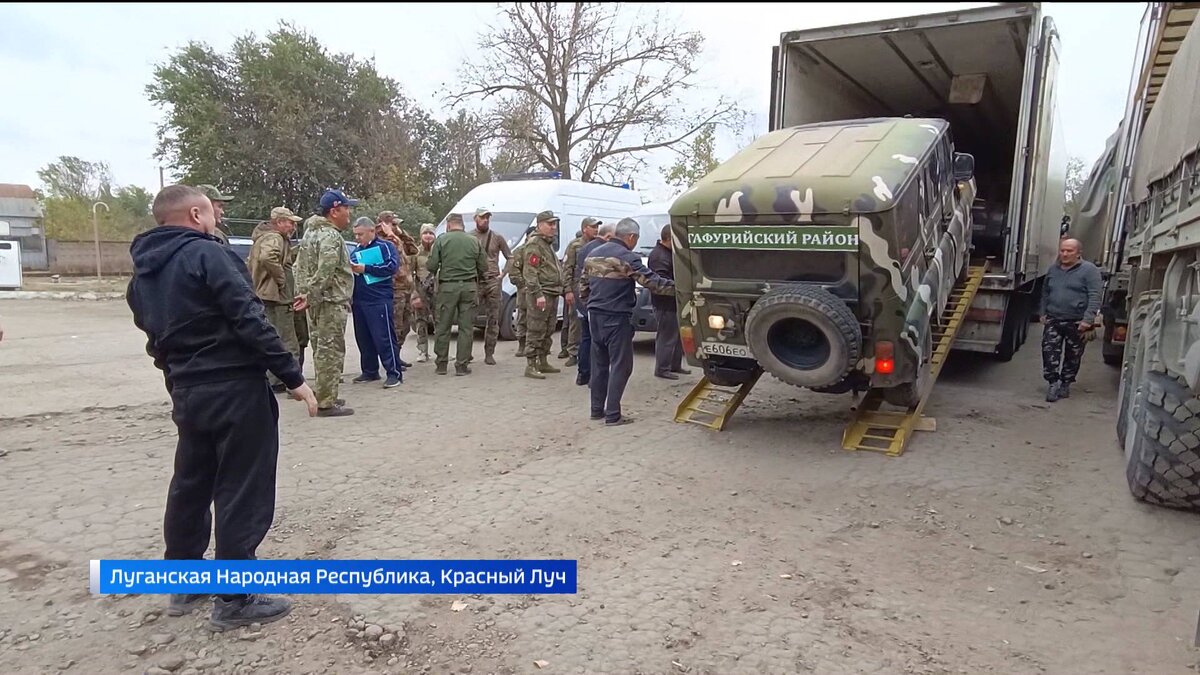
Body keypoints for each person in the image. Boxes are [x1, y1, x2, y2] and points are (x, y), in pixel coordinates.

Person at [126, 184, 318, 631]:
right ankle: (235, 598)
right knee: (242, 488)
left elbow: (154, 337)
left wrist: (178, 380)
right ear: (196, 214)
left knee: (191, 484)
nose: (217, 217)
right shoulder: (208, 254)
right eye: (212, 210)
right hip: (235, 388)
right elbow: (249, 318)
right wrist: (292, 377)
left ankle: (184, 582)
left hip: (189, 391)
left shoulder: (143, 273)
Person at [580, 217, 675, 425]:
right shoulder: (627, 257)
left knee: (600, 365)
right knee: (621, 365)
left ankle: (596, 410)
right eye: (636, 239)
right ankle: (613, 414)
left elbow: (583, 287)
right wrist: (681, 289)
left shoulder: (593, 254)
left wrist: (592, 306)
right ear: (631, 237)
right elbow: (652, 282)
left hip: (595, 316)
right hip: (616, 317)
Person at [295, 189, 358, 417]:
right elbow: (326, 270)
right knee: (330, 351)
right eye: (346, 208)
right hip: (328, 301)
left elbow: (299, 267)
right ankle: (326, 403)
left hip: (315, 302)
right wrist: (311, 295)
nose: (349, 213)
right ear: (334, 211)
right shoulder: (330, 236)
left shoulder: (311, 233)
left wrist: (304, 294)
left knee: (321, 349)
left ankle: (326, 393)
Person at [248, 207, 304, 393]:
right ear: (279, 222)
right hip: (278, 298)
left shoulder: (263, 237)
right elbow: (268, 257)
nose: (293, 226)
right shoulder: (275, 238)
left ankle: (275, 381)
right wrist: (282, 280)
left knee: (273, 339)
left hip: (266, 296)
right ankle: (294, 385)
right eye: (290, 222)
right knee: (289, 342)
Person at [1040, 237, 1102, 402]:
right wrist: (1043, 312)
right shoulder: (1053, 270)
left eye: (1069, 251)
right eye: (1062, 250)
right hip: (1053, 319)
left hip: (1077, 322)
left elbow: (1095, 296)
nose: (1065, 254)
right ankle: (1053, 383)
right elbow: (1045, 292)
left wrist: (1088, 319)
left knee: (1073, 355)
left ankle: (1066, 383)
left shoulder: (1089, 271)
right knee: (1049, 352)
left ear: (1078, 253)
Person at [427, 213, 488, 375]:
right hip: (469, 287)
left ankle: (441, 364)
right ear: (463, 225)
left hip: (447, 288)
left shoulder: (442, 240)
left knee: (443, 326)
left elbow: (432, 265)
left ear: (448, 225)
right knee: (466, 328)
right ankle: (462, 365)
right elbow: (484, 266)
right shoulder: (474, 241)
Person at [350, 217, 403, 388]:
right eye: (355, 234)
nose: (357, 238)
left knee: (384, 337)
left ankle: (394, 373)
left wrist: (366, 268)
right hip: (359, 300)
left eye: (360, 234)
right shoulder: (355, 251)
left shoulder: (385, 246)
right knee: (363, 338)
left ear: (372, 231)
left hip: (379, 299)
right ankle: (370, 371)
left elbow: (392, 267)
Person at [521, 211, 566, 380]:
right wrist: (538, 294)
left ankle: (543, 361)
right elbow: (530, 272)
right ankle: (531, 365)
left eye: (554, 224)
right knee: (536, 328)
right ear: (540, 225)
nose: (553, 227)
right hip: (542, 294)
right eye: (550, 224)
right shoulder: (535, 244)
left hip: (552, 292)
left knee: (549, 328)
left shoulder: (547, 243)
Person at [647, 223, 691, 380]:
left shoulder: (669, 253)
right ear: (668, 238)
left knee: (676, 336)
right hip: (664, 303)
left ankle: (674, 365)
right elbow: (660, 283)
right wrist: (680, 287)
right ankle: (662, 368)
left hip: (674, 302)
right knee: (667, 336)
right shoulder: (659, 256)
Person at [574, 222, 615, 386]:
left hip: (584, 298)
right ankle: (594, 377)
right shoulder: (602, 250)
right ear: (609, 236)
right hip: (595, 301)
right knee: (596, 342)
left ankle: (583, 374)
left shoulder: (586, 248)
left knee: (586, 338)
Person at [471, 207, 514, 365]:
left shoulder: (497, 237)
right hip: (475, 281)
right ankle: (466, 353)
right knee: (469, 318)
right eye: (482, 217)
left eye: (487, 217)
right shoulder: (469, 237)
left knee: (493, 319)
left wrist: (503, 275)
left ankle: (489, 353)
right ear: (476, 219)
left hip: (492, 281)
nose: (485, 220)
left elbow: (510, 257)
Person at [376, 211, 416, 368]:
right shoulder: (381, 240)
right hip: (394, 289)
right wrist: (392, 235)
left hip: (406, 287)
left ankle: (397, 355)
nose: (396, 227)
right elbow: (395, 254)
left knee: (405, 325)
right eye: (393, 224)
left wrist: (400, 233)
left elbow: (413, 249)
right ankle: (392, 359)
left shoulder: (396, 236)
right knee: (396, 326)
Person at [560, 218, 601, 367]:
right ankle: (573, 352)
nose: (596, 230)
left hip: (593, 288)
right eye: (593, 227)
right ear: (585, 229)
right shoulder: (575, 245)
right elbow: (567, 268)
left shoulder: (598, 245)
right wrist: (568, 290)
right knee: (575, 321)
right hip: (576, 288)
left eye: (597, 227)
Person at [507, 225, 537, 357]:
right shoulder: (520, 251)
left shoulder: (541, 250)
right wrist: (523, 285)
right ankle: (522, 344)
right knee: (523, 318)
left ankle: (535, 346)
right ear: (527, 236)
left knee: (538, 319)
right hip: (525, 291)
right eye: (533, 235)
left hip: (539, 290)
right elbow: (513, 272)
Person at [411, 224, 437, 362]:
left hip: (437, 290)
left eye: (431, 233)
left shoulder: (439, 250)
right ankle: (423, 351)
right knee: (421, 321)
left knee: (441, 322)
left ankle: (441, 351)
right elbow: (411, 274)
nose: (428, 236)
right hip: (421, 290)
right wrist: (415, 294)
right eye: (425, 233)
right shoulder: (415, 252)